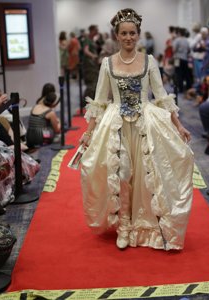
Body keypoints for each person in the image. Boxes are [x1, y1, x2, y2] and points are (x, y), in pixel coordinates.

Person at [79, 8, 194, 251]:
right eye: (124, 33)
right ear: (117, 36)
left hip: (145, 123)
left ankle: (144, 224)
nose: (129, 37)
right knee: (121, 175)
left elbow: (161, 96)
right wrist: (88, 133)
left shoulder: (149, 61)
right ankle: (123, 225)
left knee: (144, 176)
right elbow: (99, 101)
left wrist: (178, 124)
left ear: (138, 35)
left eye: (132, 33)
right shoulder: (107, 63)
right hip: (116, 125)